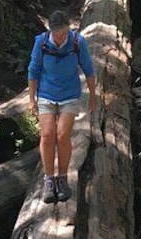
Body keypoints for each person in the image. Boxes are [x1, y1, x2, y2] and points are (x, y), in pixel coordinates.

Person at [27, 11, 97, 203]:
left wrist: (92, 95)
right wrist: (32, 99)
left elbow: (88, 68)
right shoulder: (41, 43)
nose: (60, 38)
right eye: (57, 34)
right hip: (46, 94)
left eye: (64, 33)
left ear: (68, 28)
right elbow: (33, 70)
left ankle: (63, 178)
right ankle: (49, 180)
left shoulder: (77, 42)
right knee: (47, 135)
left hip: (69, 94)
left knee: (62, 135)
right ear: (51, 31)